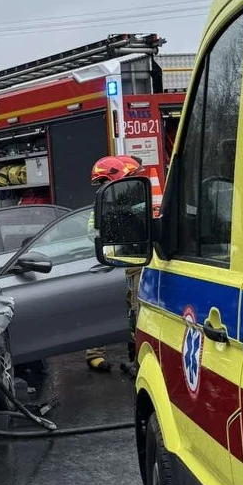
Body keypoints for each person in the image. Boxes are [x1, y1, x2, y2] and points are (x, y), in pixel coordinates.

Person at [84, 155, 143, 372]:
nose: (102, 186)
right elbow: (93, 232)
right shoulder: (104, 202)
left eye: (103, 181)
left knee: (135, 311)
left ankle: (135, 357)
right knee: (123, 309)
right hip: (118, 262)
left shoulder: (133, 195)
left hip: (134, 262)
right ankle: (97, 354)